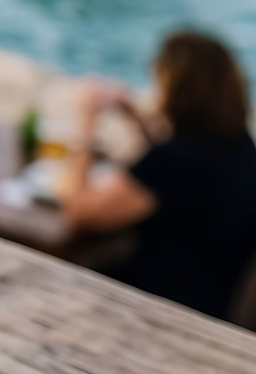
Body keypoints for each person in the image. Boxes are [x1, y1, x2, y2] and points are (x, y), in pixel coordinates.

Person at [62, 30, 256, 321]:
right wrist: (136, 118)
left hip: (157, 307)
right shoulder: (240, 144)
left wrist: (86, 128)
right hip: (212, 300)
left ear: (177, 88)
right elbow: (176, 178)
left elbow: (81, 212)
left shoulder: (177, 158)